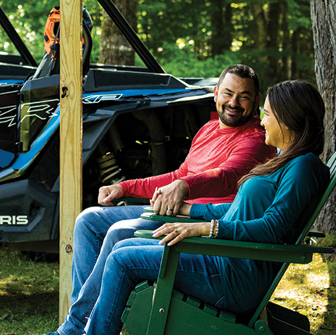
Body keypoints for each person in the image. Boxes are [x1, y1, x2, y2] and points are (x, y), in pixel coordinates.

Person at [82, 80, 329, 335]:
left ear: (287, 120)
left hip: (232, 277)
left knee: (123, 260)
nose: (262, 121)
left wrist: (205, 229)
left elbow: (272, 228)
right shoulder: (286, 161)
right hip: (224, 260)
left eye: (267, 114)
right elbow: (237, 212)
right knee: (122, 247)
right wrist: (189, 211)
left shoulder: (303, 167)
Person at [49, 64, 276, 335]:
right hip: (172, 211)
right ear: (216, 93)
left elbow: (226, 175)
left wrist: (184, 185)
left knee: (118, 232)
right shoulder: (209, 129)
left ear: (256, 101)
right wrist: (124, 187)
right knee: (89, 220)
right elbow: (181, 173)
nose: (234, 103)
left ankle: (79, 328)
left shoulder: (255, 140)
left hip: (199, 225)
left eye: (244, 96)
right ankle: (81, 324)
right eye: (228, 93)